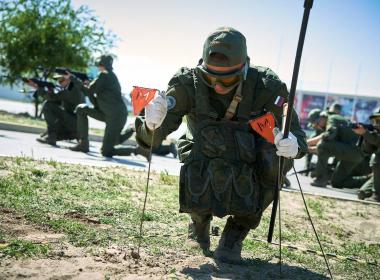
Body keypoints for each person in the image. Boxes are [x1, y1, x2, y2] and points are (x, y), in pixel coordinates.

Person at [135, 27, 307, 263]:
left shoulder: (266, 86)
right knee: (198, 157)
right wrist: (152, 124)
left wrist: (293, 144)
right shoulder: (187, 83)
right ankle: (199, 224)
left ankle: (235, 233)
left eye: (227, 78)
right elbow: (150, 140)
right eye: (210, 77)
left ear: (245, 67)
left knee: (274, 160)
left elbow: (296, 131)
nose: (217, 85)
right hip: (202, 152)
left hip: (249, 156)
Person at [70, 55, 150, 160]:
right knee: (82, 109)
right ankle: (83, 144)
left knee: (107, 151)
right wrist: (87, 84)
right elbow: (93, 92)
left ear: (101, 65)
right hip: (108, 113)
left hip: (115, 117)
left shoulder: (104, 75)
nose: (98, 66)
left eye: (99, 64)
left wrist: (73, 78)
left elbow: (89, 91)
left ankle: (138, 150)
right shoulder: (109, 76)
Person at [311, 104, 367, 188]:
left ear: (322, 117)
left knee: (323, 145)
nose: (318, 127)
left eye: (317, 123)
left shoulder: (332, 118)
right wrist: (309, 148)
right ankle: (370, 182)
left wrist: (307, 144)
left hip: (353, 150)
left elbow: (329, 135)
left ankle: (320, 179)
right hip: (357, 154)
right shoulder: (339, 119)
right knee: (337, 182)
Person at [29, 74, 86, 145]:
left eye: (61, 80)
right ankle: (52, 135)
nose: (59, 83)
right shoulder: (75, 88)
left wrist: (39, 89)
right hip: (76, 124)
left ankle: (52, 136)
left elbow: (52, 98)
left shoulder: (71, 89)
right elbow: (57, 101)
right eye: (58, 81)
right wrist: (51, 90)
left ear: (69, 80)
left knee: (47, 105)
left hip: (73, 124)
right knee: (52, 106)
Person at [353, 107, 380, 202]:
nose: (377, 124)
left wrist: (366, 133)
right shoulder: (375, 133)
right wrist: (365, 135)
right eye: (375, 121)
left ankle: (377, 195)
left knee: (378, 159)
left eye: (379, 120)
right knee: (362, 193)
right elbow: (368, 150)